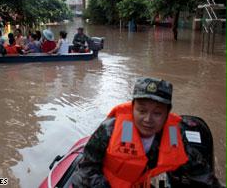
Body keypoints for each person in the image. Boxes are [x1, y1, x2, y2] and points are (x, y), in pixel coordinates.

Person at [72, 77, 225, 188]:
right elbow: (85, 170)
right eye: (142, 110)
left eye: (157, 113)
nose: (148, 119)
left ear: (167, 114)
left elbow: (200, 172)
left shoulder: (175, 137)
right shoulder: (109, 130)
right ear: (132, 108)